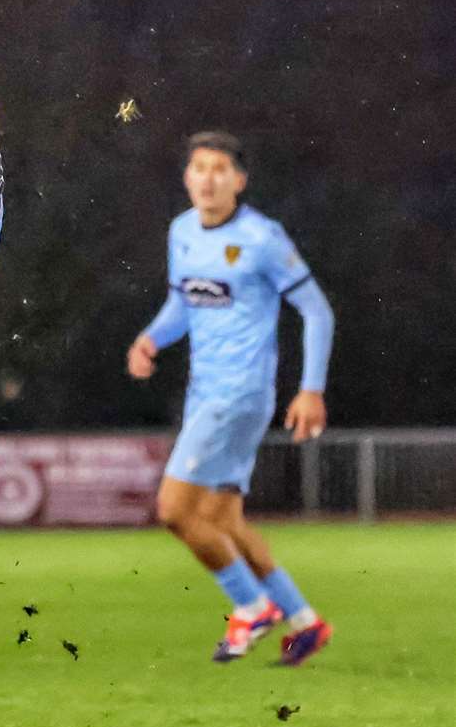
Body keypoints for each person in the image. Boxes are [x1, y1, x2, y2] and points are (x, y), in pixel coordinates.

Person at [126, 131, 334, 666]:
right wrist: (151, 338)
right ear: (187, 178)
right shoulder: (183, 233)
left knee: (174, 510)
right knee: (223, 521)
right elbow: (182, 304)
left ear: (239, 181)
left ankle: (252, 606)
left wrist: (310, 389)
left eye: (220, 168)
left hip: (238, 394)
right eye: (199, 167)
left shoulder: (262, 238)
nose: (209, 177)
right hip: (205, 394)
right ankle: (305, 622)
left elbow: (316, 311)